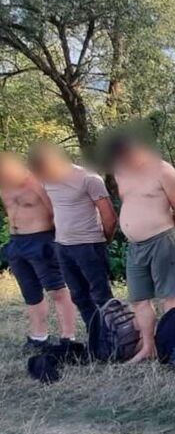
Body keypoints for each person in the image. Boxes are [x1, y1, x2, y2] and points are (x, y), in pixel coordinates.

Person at [106, 133, 175, 362]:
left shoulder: (163, 170)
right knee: (139, 299)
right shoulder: (120, 171)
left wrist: (165, 231)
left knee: (169, 296)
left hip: (162, 239)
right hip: (135, 246)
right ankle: (148, 347)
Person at [31, 144, 116, 342]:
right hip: (62, 246)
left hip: (89, 245)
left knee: (101, 295)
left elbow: (109, 217)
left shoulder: (89, 179)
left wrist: (101, 241)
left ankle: (117, 339)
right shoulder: (45, 181)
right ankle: (97, 340)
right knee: (79, 295)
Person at [1, 151, 79, 355]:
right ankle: (39, 337)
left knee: (57, 291)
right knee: (31, 293)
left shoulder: (36, 182)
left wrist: (57, 243)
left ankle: (68, 338)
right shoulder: (3, 185)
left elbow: (56, 212)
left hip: (42, 240)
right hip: (16, 243)